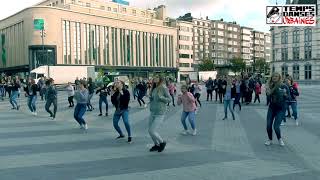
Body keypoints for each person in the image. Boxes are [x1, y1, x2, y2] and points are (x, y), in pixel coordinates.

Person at [265, 72, 289, 146]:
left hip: (281, 108)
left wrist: (285, 94)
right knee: (268, 125)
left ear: (279, 78)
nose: (274, 77)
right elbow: (268, 97)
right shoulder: (270, 86)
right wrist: (267, 91)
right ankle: (270, 139)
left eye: (276, 76)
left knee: (276, 126)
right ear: (271, 78)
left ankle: (280, 139)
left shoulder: (283, 86)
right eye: (273, 76)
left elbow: (289, 97)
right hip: (272, 108)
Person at [148, 76, 171, 152]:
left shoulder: (163, 88)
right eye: (154, 78)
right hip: (153, 111)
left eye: (156, 77)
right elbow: (154, 99)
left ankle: (162, 142)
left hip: (160, 112)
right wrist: (150, 98)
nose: (155, 79)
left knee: (152, 130)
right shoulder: (154, 88)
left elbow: (169, 99)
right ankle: (156, 144)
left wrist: (162, 98)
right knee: (149, 131)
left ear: (160, 79)